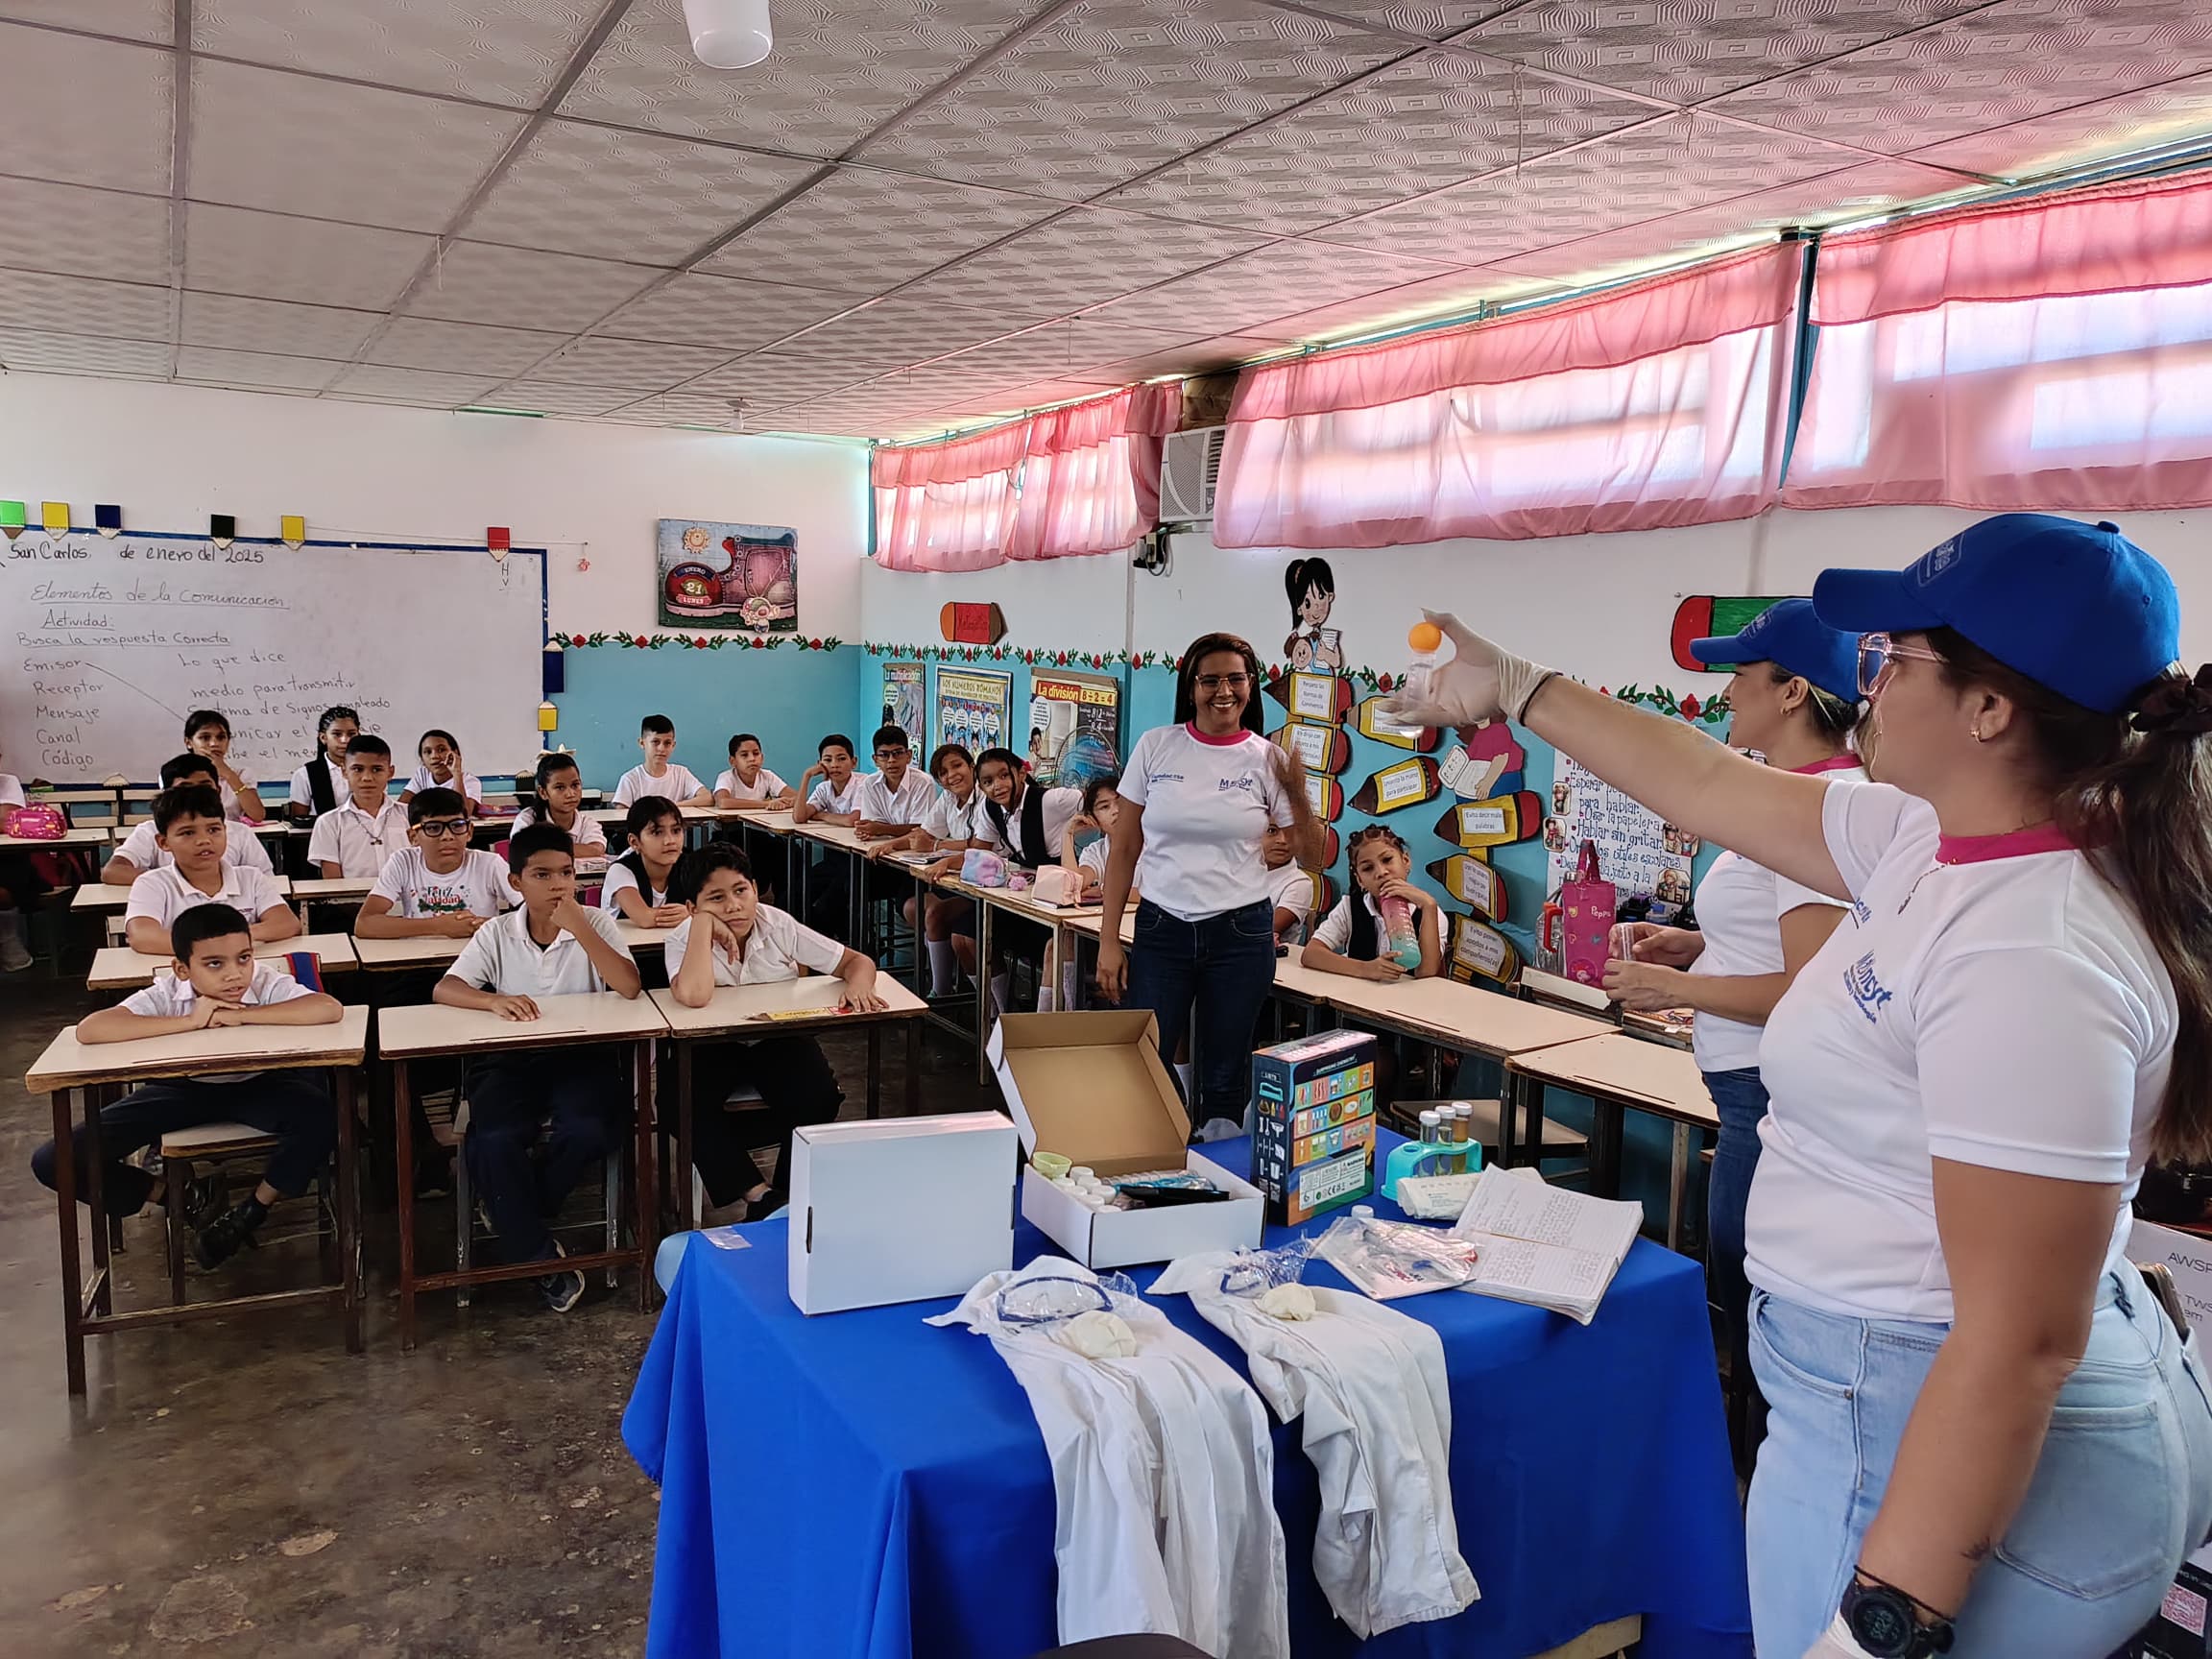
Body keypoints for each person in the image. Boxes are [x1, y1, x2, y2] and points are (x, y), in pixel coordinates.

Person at [1382, 514, 2212, 1659]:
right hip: (1889, 1385)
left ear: (1990, 708)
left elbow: (2018, 1343)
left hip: (1920, 1409)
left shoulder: (2032, 951)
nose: (1865, 682)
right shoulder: (1943, 841)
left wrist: (1879, 1626)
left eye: (1894, 658)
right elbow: (1713, 786)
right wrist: (1521, 688)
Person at [1599, 597, 1866, 1434]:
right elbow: (1781, 945)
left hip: (1768, 1091)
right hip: (1745, 1085)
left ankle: (1749, 1482)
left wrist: (1674, 992)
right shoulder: (1786, 795)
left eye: (1742, 677)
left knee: (1752, 1297)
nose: (1726, 696)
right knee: (1742, 1290)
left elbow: (1813, 987)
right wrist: (1691, 947)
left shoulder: (1817, 810)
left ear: (1792, 693)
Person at [1096, 632, 1323, 1138]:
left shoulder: (1268, 759)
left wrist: (1297, 791)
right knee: (1145, 1058)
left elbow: (1310, 852)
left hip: (1239, 934)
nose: (1225, 691)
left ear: (1250, 687)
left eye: (1236, 679)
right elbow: (1125, 848)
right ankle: (1151, 1164)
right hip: (1162, 928)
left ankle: (1214, 1187)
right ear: (1191, 687)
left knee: (1225, 1073)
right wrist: (1110, 940)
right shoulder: (1157, 746)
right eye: (1211, 680)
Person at [30, 902, 342, 1268]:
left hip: (260, 1084)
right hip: (182, 1090)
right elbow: (92, 1029)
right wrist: (190, 1022)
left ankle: (249, 1212)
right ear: (182, 968)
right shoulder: (166, 994)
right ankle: (181, 1195)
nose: (234, 975)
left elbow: (327, 1008)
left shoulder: (264, 982)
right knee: (55, 1160)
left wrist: (241, 1017)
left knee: (322, 1117)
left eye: (243, 958)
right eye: (214, 964)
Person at [434, 824, 642, 1313]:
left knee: (590, 1129)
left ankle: (517, 1209)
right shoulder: (498, 931)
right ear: (515, 882)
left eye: (566, 874)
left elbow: (629, 987)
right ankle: (539, 1256)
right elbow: (446, 989)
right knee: (495, 1138)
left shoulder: (595, 921)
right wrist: (493, 1001)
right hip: (511, 1059)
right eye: (543, 875)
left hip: (582, 1056)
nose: (558, 886)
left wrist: (582, 930)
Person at [663, 842, 883, 1224]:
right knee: (674, 1103)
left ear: (754, 888)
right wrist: (702, 927)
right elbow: (694, 996)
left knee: (820, 1097)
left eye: (741, 891)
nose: (734, 906)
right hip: (711, 1044)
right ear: (692, 907)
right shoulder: (683, 937)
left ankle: (782, 1197)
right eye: (716, 898)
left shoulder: (777, 924)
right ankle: (760, 1194)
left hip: (776, 1038)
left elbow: (855, 961)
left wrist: (860, 985)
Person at [124, 783, 300, 955]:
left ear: (225, 830)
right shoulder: (152, 884)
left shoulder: (250, 878)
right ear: (164, 842)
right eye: (188, 833)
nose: (204, 840)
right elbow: (142, 936)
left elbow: (287, 923)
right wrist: (215, 948)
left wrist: (231, 939)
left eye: (213, 829)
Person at [354, 787, 513, 939]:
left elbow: (533, 911)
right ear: (413, 836)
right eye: (433, 828)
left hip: (481, 957)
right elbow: (364, 923)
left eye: (457, 826)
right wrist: (438, 926)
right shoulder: (403, 862)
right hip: (420, 956)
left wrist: (489, 925)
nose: (447, 836)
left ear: (469, 831)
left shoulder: (489, 864)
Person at [104, 753, 276, 883]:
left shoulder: (240, 832)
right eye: (185, 788)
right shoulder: (150, 831)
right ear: (167, 794)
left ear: (218, 790)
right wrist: (179, 880)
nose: (196, 794)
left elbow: (266, 880)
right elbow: (112, 871)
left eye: (205, 787)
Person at [1302, 824, 1441, 981]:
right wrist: (1366, 969)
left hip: (1406, 1003)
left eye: (1387, 860)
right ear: (1359, 879)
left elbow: (1426, 974)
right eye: (1368, 868)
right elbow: (1311, 954)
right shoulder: (1350, 907)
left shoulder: (1428, 911)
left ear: (1406, 861)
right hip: (1355, 999)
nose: (1381, 873)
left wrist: (1429, 907)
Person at [906, 742, 986, 998]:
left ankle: (990, 1007)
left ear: (971, 766)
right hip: (963, 880)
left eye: (957, 765)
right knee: (922, 909)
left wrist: (938, 846)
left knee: (944, 919)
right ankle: (941, 990)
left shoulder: (986, 796)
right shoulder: (948, 798)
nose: (952, 775)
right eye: (943, 772)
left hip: (987, 881)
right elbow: (924, 834)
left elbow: (981, 844)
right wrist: (889, 845)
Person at [308, 734, 408, 879]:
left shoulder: (408, 815)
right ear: (344, 771)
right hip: (352, 900)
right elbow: (332, 884)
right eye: (358, 769)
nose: (367, 777)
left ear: (390, 772)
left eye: (376, 769)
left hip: (404, 900)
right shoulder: (329, 823)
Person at [974, 747, 1083, 868]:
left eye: (1004, 776)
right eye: (988, 782)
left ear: (1022, 774)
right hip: (1027, 878)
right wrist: (950, 862)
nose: (997, 786)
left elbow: (1095, 802)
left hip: (1062, 878)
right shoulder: (990, 806)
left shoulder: (1049, 800)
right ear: (981, 788)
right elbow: (980, 851)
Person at [603, 796, 687, 928]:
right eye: (657, 832)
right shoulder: (620, 870)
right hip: (624, 947)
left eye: (676, 831)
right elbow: (644, 918)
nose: (670, 840)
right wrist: (694, 914)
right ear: (634, 842)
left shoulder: (690, 865)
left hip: (671, 945)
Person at [853, 725, 937, 842]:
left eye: (898, 753)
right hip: (882, 846)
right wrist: (866, 830)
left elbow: (921, 829)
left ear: (909, 756)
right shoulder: (870, 783)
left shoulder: (923, 783)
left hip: (915, 849)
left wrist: (880, 829)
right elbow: (872, 823)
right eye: (884, 755)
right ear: (875, 760)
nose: (891, 760)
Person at [510, 752, 607, 850]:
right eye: (560, 787)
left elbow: (597, 849)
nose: (571, 794)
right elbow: (522, 850)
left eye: (575, 785)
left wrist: (546, 850)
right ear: (543, 793)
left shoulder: (586, 823)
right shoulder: (528, 820)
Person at [181, 709, 264, 823]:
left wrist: (228, 775)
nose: (214, 744)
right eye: (205, 738)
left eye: (221, 737)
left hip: (232, 835)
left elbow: (258, 815)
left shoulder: (242, 773)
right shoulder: (177, 774)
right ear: (188, 742)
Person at [613, 714, 711, 808]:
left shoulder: (681, 773)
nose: (661, 748)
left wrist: (671, 808)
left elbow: (708, 798)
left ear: (673, 745)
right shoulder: (630, 779)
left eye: (667, 743)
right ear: (642, 743)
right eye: (655, 742)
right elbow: (621, 814)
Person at [287, 705, 359, 821]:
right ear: (323, 737)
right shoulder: (305, 774)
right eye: (337, 734)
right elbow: (300, 820)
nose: (345, 740)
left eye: (351, 734)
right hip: (320, 835)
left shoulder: (369, 770)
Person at [1064, 772, 1127, 898]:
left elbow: (1154, 896)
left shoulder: (1154, 845)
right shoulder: (1096, 851)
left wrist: (1104, 890)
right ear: (1093, 819)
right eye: (1104, 807)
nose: (1116, 811)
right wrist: (1067, 834)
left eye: (1121, 803)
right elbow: (1072, 886)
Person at [398, 729, 485, 815]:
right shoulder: (422, 774)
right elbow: (401, 808)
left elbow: (464, 814)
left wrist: (456, 773)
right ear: (422, 759)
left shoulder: (470, 781)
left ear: (455, 753)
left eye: (441, 750)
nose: (434, 756)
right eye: (428, 752)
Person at [792, 733, 862, 827]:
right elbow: (799, 818)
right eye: (828, 760)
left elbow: (853, 820)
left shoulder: (863, 784)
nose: (834, 765)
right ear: (819, 764)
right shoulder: (824, 788)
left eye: (841, 759)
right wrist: (807, 776)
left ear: (854, 762)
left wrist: (822, 815)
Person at [1262, 824, 1315, 945]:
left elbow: (1266, 930)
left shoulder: (1300, 883)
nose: (1283, 840)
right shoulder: (1240, 869)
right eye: (1272, 831)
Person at [713, 733, 796, 810]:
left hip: (757, 822)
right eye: (744, 755)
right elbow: (723, 802)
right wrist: (767, 804)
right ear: (732, 761)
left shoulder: (767, 776)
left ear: (762, 758)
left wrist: (782, 803)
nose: (752, 759)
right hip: (731, 823)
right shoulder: (726, 777)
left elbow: (798, 798)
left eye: (756, 753)